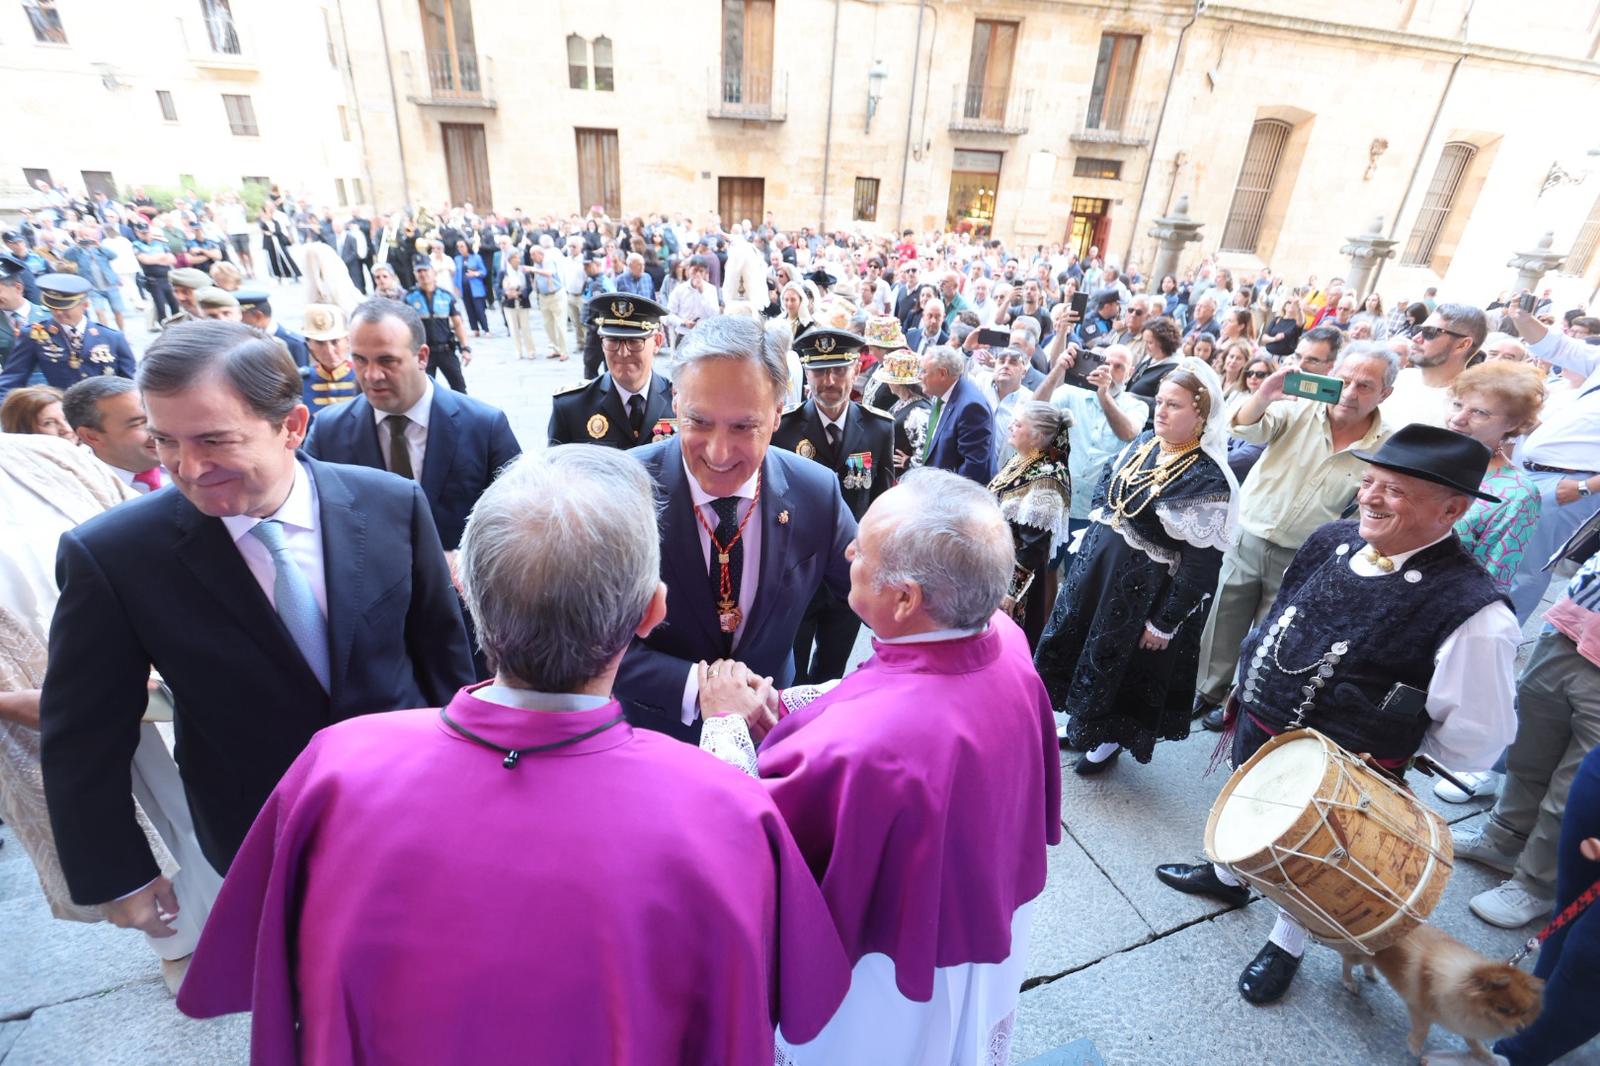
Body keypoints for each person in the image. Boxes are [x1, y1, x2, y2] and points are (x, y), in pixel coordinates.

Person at [176, 446, 852, 1061]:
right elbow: (806, 1000)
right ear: (651, 613)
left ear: (466, 590)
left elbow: (259, 967)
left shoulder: (334, 769)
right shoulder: (724, 805)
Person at [39, 320, 476, 943]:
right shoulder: (114, 556)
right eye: (166, 441)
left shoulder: (391, 504)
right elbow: (83, 726)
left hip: (411, 808)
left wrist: (476, 781)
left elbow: (443, 658)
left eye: (214, 440)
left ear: (292, 426)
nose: (188, 469)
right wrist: (118, 873)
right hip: (259, 833)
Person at [695, 468, 1061, 1065]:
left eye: (861, 550)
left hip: (886, 971)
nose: (847, 552)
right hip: (979, 907)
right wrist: (786, 705)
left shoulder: (865, 752)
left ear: (905, 599)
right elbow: (889, 680)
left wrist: (726, 721)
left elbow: (747, 841)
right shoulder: (1000, 635)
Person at [1157, 423, 1520, 1005]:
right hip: (1261, 723)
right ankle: (1227, 878)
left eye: (1395, 491)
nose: (1370, 497)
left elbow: (1479, 737)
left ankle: (1287, 941)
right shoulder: (1332, 539)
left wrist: (1390, 749)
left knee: (1312, 855)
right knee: (1247, 809)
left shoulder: (1474, 611)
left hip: (1346, 772)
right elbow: (1285, 613)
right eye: (1370, 481)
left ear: (1452, 509)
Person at [0, 432, 217, 995]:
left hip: (143, 668)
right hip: (24, 702)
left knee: (205, 793)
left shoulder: (43, 456)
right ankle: (181, 939)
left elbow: (146, 533)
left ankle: (256, 913)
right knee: (123, 821)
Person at [613, 315, 855, 743]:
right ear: (675, 401)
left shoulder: (817, 492)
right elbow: (585, 640)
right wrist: (701, 690)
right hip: (655, 741)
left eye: (743, 427)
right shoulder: (621, 488)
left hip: (767, 737)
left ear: (779, 414)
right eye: (699, 422)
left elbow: (878, 595)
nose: (719, 452)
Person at [1035, 359, 1237, 773]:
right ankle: (1081, 724)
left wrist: (1164, 621)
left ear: (1201, 415)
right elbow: (1106, 491)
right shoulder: (1144, 442)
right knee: (1084, 648)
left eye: (1174, 405)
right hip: (1100, 572)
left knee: (1120, 663)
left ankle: (1107, 738)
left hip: (1141, 590)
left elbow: (1201, 565)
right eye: (1160, 401)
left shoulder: (1207, 478)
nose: (1160, 411)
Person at [1193, 343, 1395, 729]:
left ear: (1385, 393)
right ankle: (1208, 690)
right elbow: (1245, 425)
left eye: (1365, 386)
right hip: (1250, 533)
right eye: (1344, 380)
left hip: (1308, 554)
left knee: (1275, 633)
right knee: (1223, 616)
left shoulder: (1385, 442)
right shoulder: (1299, 409)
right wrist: (1266, 392)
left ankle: (1242, 701)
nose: (1350, 393)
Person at [1452, 525, 1600, 932]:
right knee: (1527, 753)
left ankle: (1536, 883)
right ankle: (1502, 839)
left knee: (1573, 790)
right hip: (1574, 624)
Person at [304, 298, 521, 554]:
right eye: (360, 360)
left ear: (422, 356)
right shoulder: (328, 431)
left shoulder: (484, 427)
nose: (372, 375)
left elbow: (518, 522)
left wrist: (463, 561)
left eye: (387, 360)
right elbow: (310, 520)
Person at [772, 328, 895, 683]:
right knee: (789, 673)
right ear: (806, 374)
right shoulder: (785, 428)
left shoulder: (879, 428)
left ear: (856, 370)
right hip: (795, 572)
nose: (830, 380)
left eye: (839, 370)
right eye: (819, 371)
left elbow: (880, 503)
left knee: (832, 674)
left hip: (850, 573)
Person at [1498, 305, 1600, 622]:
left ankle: (1498, 641)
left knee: (1523, 568)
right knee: (1498, 553)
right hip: (1532, 474)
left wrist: (1584, 488)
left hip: (1568, 485)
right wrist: (1521, 317)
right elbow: (1555, 346)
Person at [1441, 361, 1546, 593]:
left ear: (1513, 423)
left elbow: (1491, 581)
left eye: (1479, 412)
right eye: (1457, 404)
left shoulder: (1517, 493)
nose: (1458, 418)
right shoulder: (1418, 450)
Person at [1034, 343, 1147, 532]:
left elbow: (1128, 433)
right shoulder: (1073, 392)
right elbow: (1034, 410)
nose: (1110, 371)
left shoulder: (1136, 406)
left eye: (1119, 367)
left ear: (1130, 373)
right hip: (1053, 501)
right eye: (1106, 363)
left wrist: (1103, 394)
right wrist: (1058, 369)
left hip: (1093, 512)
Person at [989, 401, 1072, 648]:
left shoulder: (1048, 478)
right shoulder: (1021, 459)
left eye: (1019, 424)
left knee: (1007, 643)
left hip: (1015, 582)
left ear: (1037, 437)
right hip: (995, 565)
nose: (1011, 426)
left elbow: (1034, 546)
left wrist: (1012, 592)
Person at [548, 293, 676, 449]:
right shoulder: (571, 407)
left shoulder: (680, 401)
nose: (623, 353)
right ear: (602, 343)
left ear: (657, 342)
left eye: (634, 341)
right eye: (613, 341)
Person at [0, 274, 135, 396]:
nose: (58, 313)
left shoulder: (112, 337)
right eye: (53, 307)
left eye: (65, 307)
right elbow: (12, 378)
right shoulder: (35, 335)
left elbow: (131, 383)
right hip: (63, 415)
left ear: (85, 305)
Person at [1384, 302, 1487, 427]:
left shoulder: (1472, 407)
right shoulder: (1399, 378)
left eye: (1429, 332)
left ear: (1462, 345)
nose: (1416, 338)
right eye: (1418, 329)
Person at [61, 377, 163, 491]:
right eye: (139, 423)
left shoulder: (182, 460)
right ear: (92, 437)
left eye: (157, 416)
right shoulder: (76, 490)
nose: (161, 430)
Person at [918, 344, 996, 484]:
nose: (919, 376)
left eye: (924, 371)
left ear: (942, 373)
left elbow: (972, 469)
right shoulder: (942, 393)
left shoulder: (971, 407)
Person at [403, 255, 472, 393]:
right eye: (419, 271)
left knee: (459, 388)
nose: (423, 274)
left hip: (446, 350)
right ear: (415, 275)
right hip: (423, 353)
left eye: (426, 270)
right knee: (423, 391)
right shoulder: (409, 298)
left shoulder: (446, 296)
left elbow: (458, 324)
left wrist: (465, 348)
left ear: (433, 272)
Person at [295, 303, 361, 414]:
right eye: (320, 343)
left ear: (348, 340)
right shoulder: (300, 380)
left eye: (335, 342)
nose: (329, 351)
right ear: (309, 344)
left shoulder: (362, 376)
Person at [1126, 315, 1183, 431]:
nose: (1146, 346)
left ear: (1164, 343)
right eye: (1145, 342)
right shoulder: (1150, 358)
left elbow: (1163, 403)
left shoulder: (1173, 370)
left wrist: (1133, 398)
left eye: (1150, 343)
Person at [236, 291, 309, 369]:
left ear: (258, 316)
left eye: (241, 318)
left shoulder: (295, 344)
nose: (238, 321)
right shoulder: (241, 338)